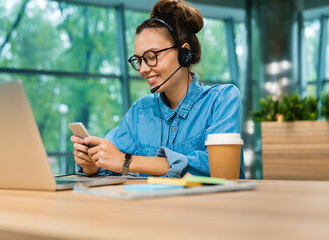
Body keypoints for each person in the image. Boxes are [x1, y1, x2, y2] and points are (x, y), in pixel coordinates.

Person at [71, 0, 245, 178]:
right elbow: (110, 161)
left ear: (184, 53)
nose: (142, 69)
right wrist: (92, 164)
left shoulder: (222, 99)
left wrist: (126, 161)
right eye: (138, 60)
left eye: (151, 56)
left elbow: (217, 167)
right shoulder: (141, 112)